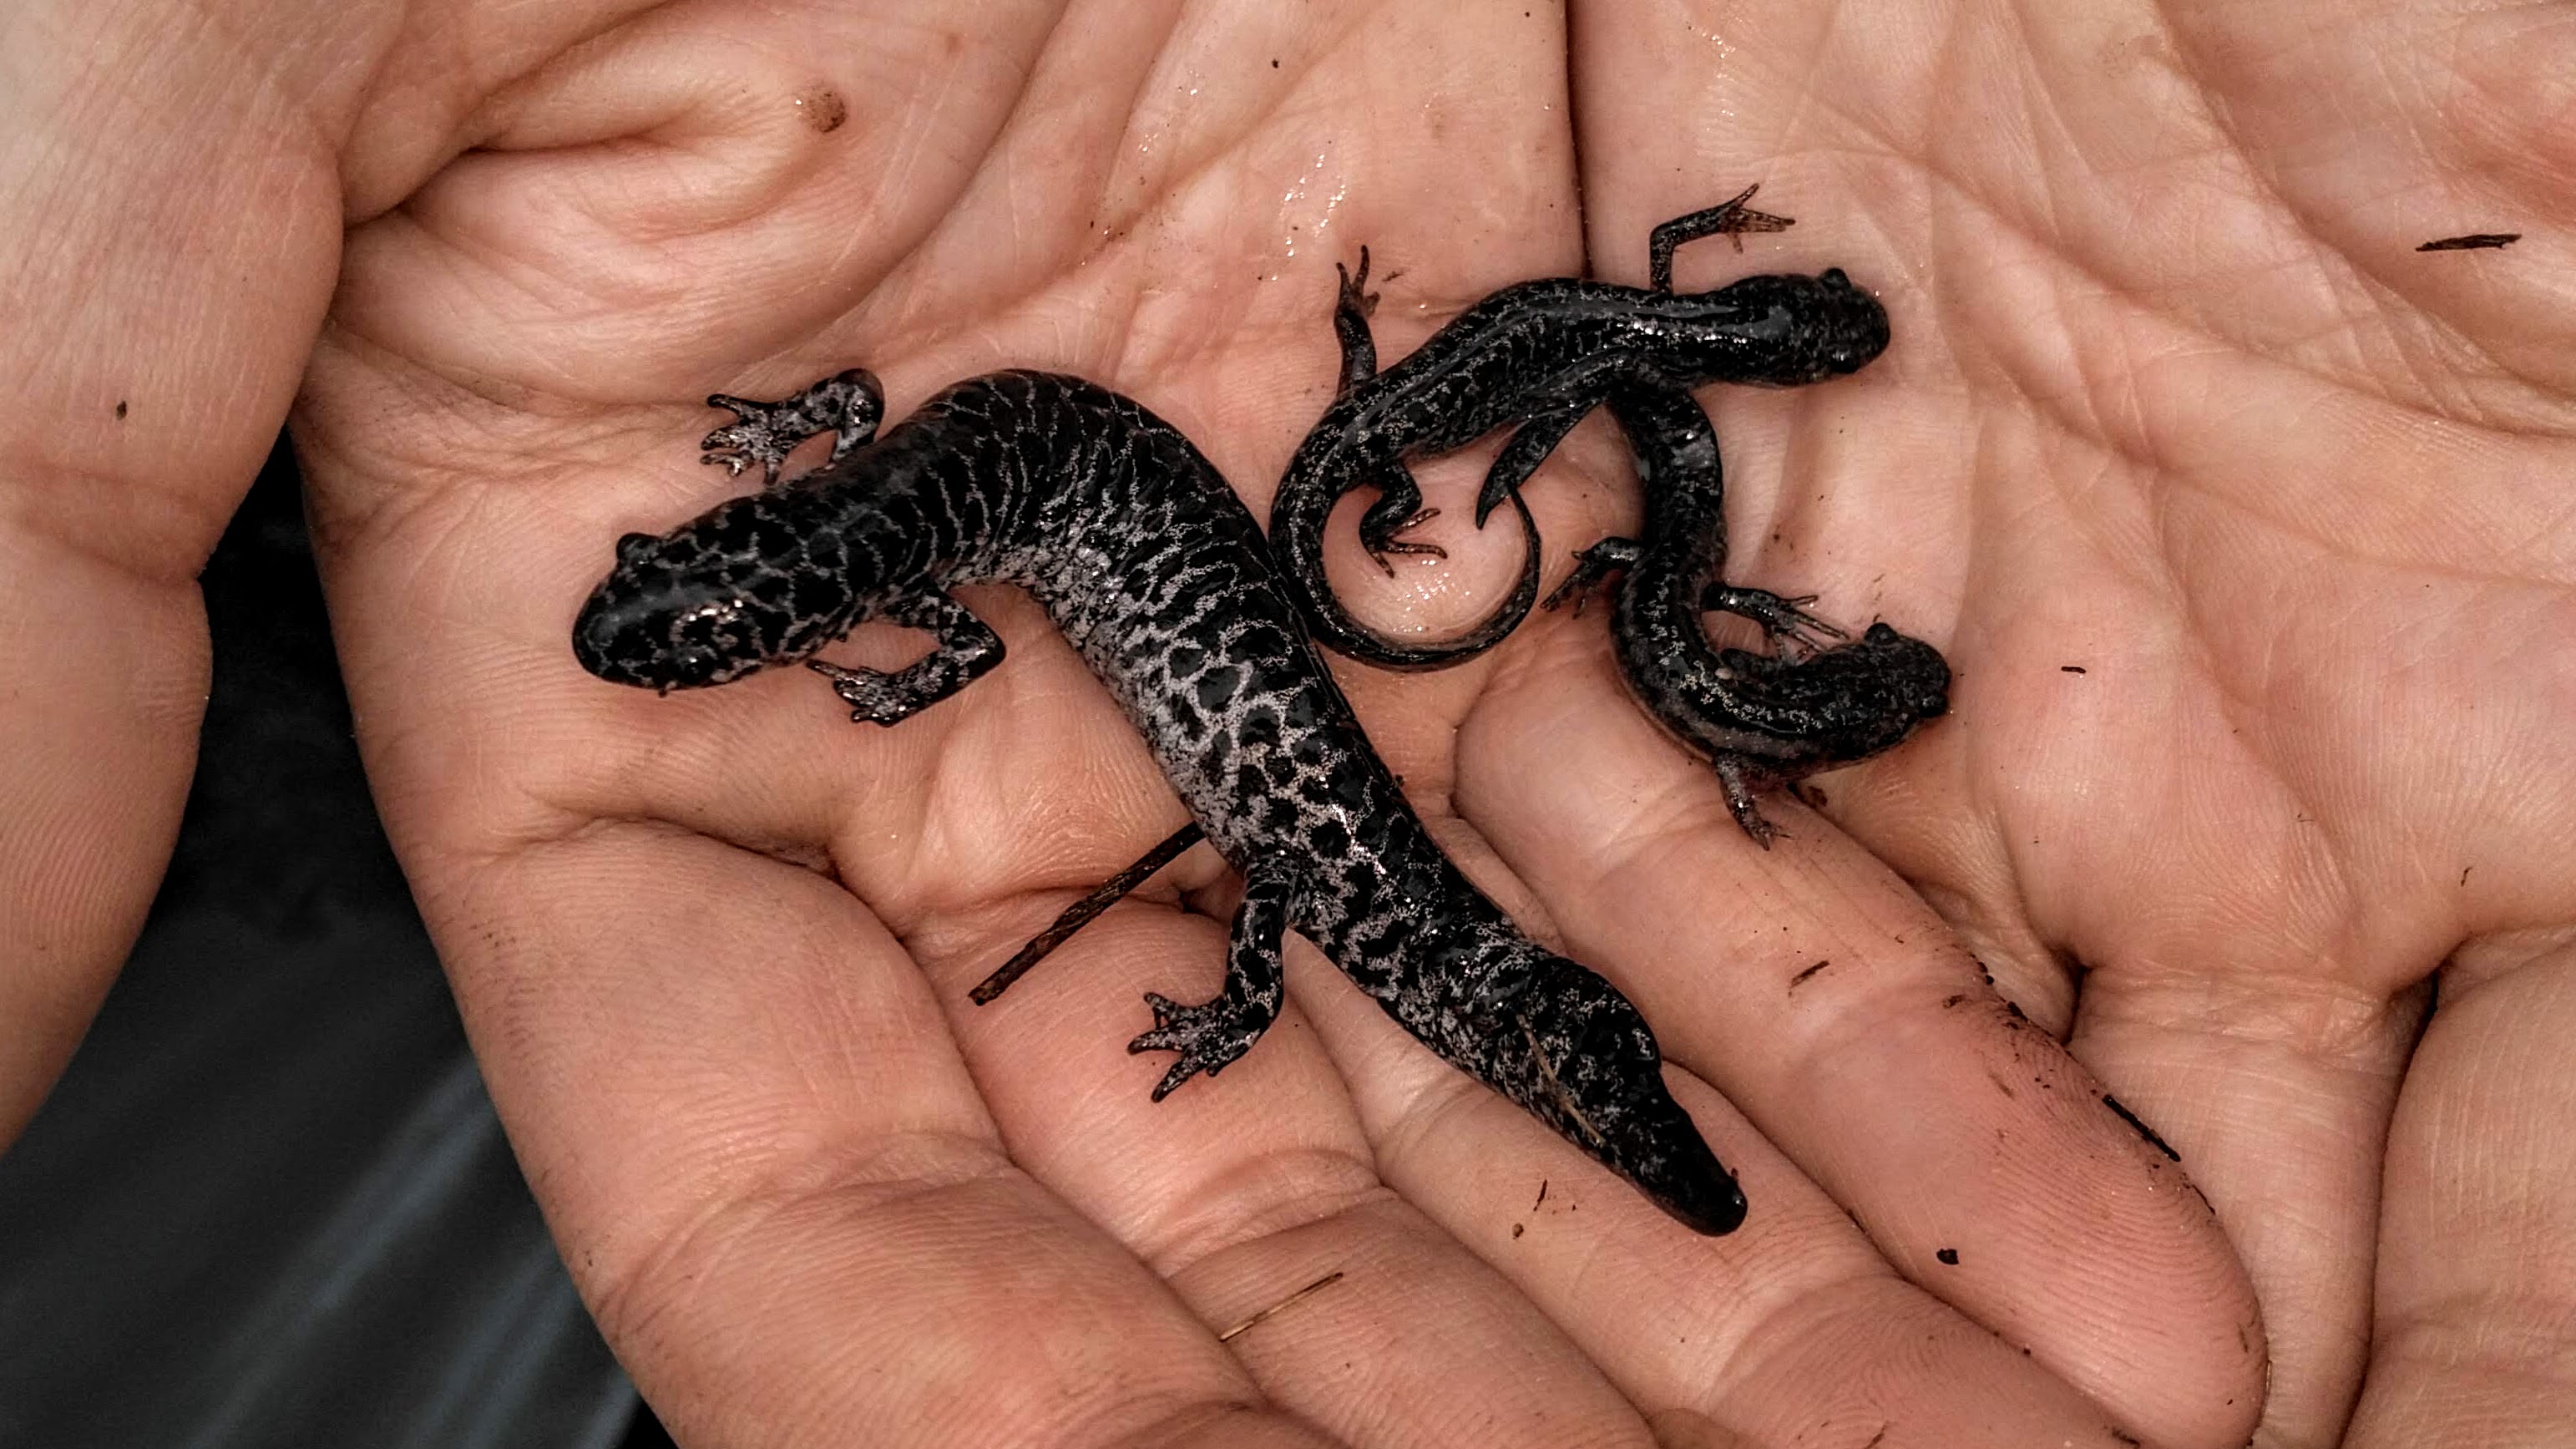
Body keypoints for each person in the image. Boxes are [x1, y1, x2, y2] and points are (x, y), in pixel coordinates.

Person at [5, 2, 2568, 1444]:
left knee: (1383, 910)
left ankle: (1439, 1030)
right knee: (1381, 911)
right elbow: (911, 539)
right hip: (1161, 578)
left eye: (685, 623)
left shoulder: (876, 555)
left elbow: (937, 562)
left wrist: (923, 660)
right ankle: (1434, 1022)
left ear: (728, 588)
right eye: (688, 621)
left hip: (1198, 613)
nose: (680, 625)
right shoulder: (865, 543)